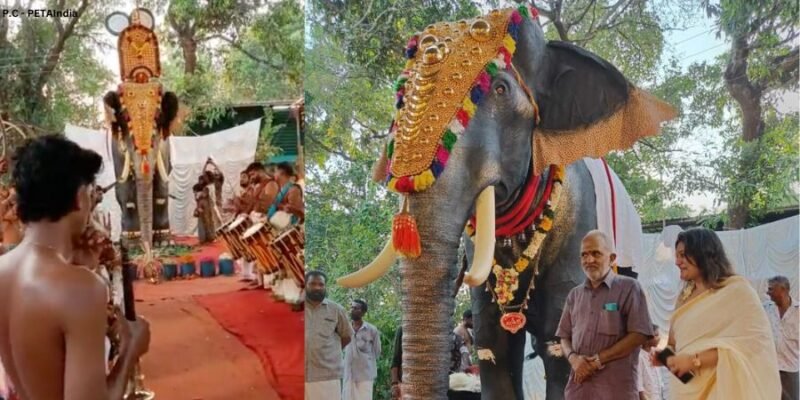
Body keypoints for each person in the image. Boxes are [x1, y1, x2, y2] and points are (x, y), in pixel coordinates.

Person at [0, 135, 150, 400]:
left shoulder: (4, 268)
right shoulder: (81, 289)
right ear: (81, 197)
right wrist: (130, 350)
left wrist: (79, 265)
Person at [653, 227, 780, 399]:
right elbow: (674, 345)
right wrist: (665, 357)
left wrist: (694, 361)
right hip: (686, 391)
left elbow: (751, 347)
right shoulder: (683, 298)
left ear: (703, 253)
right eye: (677, 255)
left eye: (683, 255)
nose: (677, 261)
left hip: (723, 389)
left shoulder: (737, 291)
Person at [557, 230, 654, 400]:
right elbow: (564, 337)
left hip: (615, 390)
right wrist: (574, 360)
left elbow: (639, 334)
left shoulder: (629, 288)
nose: (589, 260)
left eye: (596, 253)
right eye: (584, 255)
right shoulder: (574, 295)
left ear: (612, 258)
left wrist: (598, 360)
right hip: (579, 389)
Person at [305, 270, 353, 400]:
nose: (317, 287)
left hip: (327, 376)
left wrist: (329, 353)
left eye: (321, 284)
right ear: (305, 285)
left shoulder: (336, 310)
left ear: (325, 287)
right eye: (312, 284)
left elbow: (347, 336)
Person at [765, 275, 798, 400]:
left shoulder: (798, 311)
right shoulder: (766, 309)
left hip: (790, 368)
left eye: (771, 289)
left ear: (783, 290)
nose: (768, 293)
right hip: (771, 367)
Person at [343, 299, 381, 400]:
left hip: (365, 376)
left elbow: (377, 351)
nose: (352, 310)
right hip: (348, 374)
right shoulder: (345, 328)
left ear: (363, 312)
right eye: (352, 307)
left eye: (356, 308)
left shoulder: (372, 330)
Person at [637, 324, 663, 400]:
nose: (659, 338)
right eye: (656, 335)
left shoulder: (656, 354)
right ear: (647, 339)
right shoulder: (639, 357)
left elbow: (659, 382)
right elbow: (639, 387)